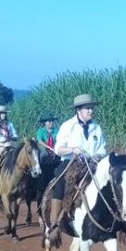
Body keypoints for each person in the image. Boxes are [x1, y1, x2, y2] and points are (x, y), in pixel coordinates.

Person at [49, 94, 107, 234]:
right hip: (71, 162)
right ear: (78, 110)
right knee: (60, 183)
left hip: (92, 164)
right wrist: (72, 150)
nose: (91, 111)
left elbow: (102, 148)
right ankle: (54, 223)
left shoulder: (97, 128)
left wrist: (98, 155)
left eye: (91, 108)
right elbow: (58, 149)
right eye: (88, 108)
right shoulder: (68, 126)